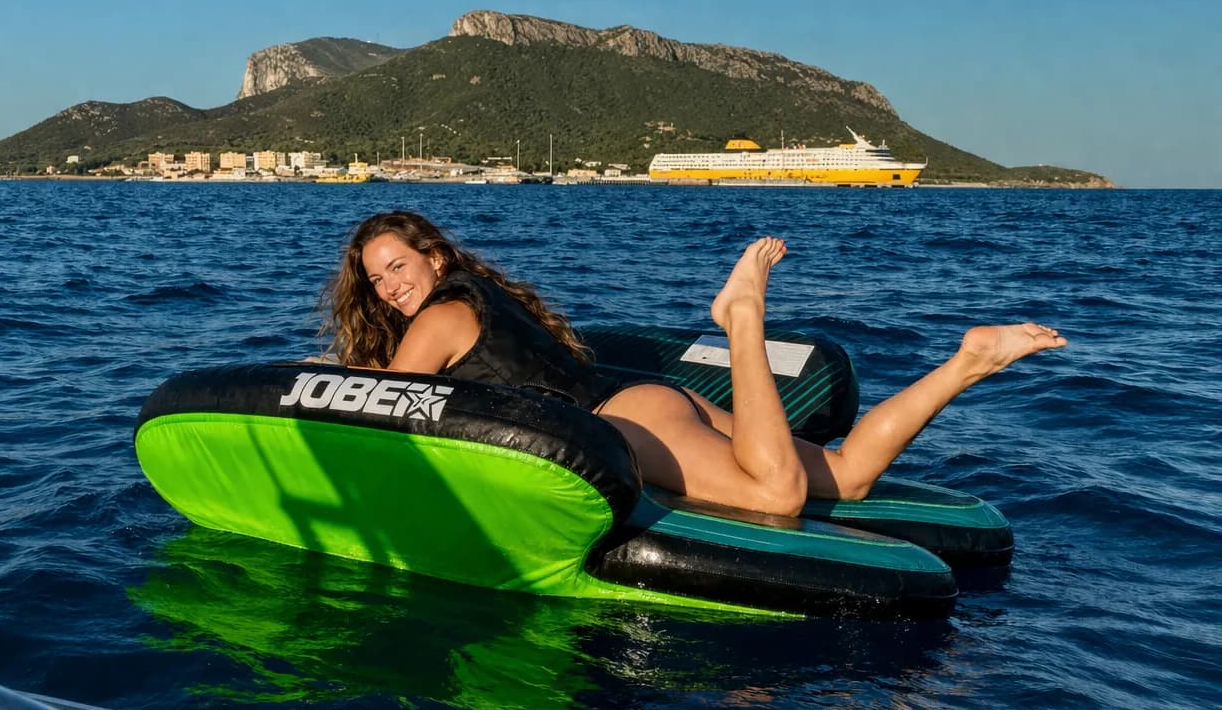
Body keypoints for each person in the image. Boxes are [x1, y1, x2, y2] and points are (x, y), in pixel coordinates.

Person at [322, 210, 1067, 517]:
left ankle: (741, 315)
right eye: (377, 280)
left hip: (621, 428)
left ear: (434, 257)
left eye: (397, 267)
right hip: (645, 402)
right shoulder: (479, 295)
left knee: (777, 497)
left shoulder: (436, 318)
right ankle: (969, 361)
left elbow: (380, 407)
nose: (389, 288)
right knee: (845, 478)